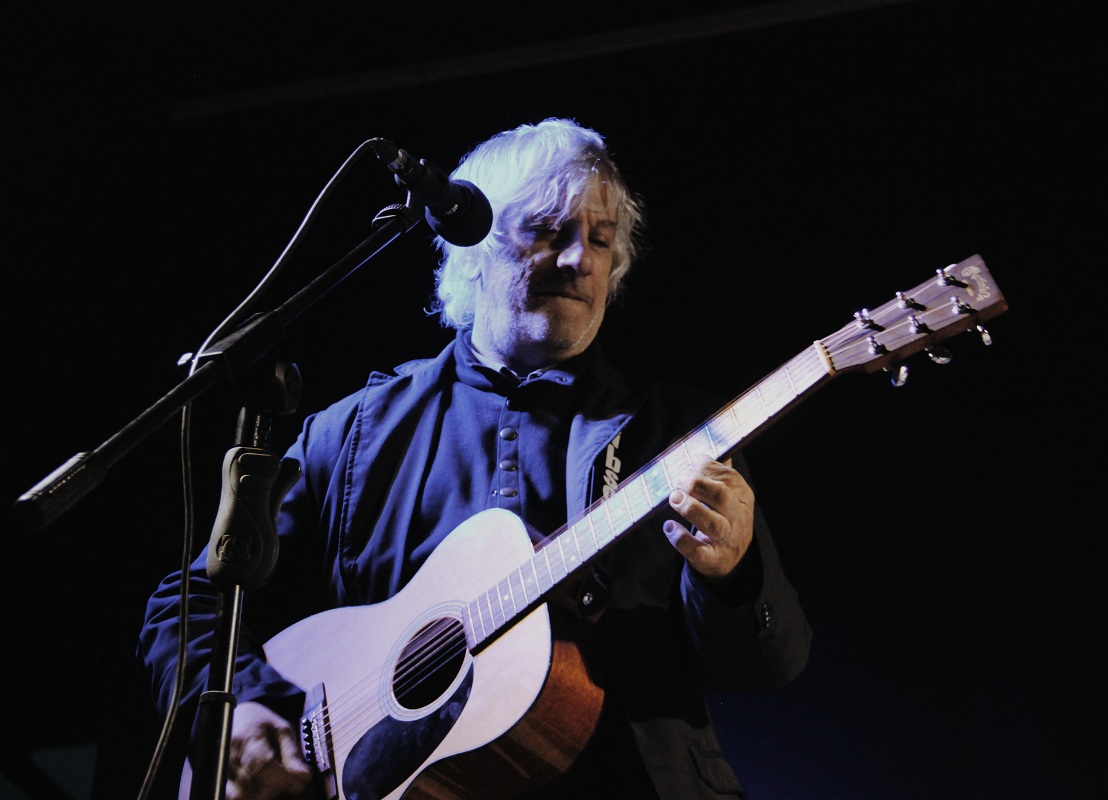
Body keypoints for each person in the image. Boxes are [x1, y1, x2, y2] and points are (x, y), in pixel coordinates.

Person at [140, 117, 812, 800]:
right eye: (549, 229)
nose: (579, 259)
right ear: (471, 247)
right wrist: (241, 711)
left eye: (600, 240)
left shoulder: (679, 437)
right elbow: (188, 602)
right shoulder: (353, 435)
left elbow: (770, 665)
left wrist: (732, 575)